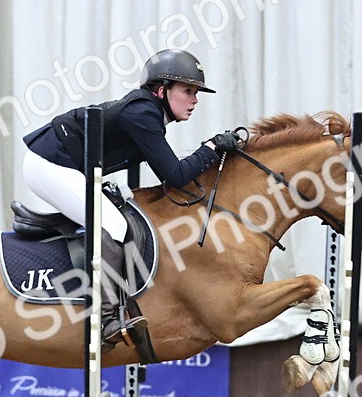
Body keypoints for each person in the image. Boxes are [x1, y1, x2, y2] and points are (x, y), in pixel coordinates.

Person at [21, 49, 242, 348]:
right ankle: (107, 318)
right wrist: (212, 147)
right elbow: (175, 175)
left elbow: (169, 172)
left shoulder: (149, 114)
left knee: (120, 215)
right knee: (113, 225)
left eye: (196, 93)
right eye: (188, 91)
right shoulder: (142, 113)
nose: (195, 100)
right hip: (48, 164)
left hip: (65, 165)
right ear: (161, 90)